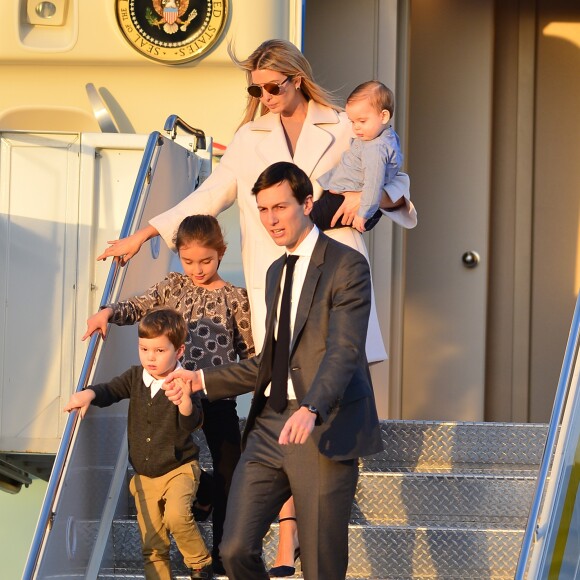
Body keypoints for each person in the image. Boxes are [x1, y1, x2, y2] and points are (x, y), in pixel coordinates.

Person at [96, 38, 414, 576]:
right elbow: (211, 195)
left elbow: (395, 176)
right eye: (256, 89)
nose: (265, 96)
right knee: (280, 392)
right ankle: (286, 544)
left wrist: (368, 198)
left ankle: (294, 545)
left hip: (332, 266)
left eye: (274, 86)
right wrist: (143, 233)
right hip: (277, 277)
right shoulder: (249, 138)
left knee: (319, 384)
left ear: (297, 78)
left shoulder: (341, 124)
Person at [163, 162, 384, 580]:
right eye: (263, 210)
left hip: (322, 425)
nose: (270, 220)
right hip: (269, 426)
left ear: (306, 203)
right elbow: (271, 361)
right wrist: (202, 380)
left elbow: (344, 351)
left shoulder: (347, 266)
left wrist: (313, 407)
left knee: (321, 565)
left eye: (280, 207)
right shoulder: (274, 271)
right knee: (234, 549)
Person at [83, 215, 254, 576]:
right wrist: (107, 313)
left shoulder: (236, 298)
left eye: (206, 261)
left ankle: (223, 551)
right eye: (189, 261)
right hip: (166, 396)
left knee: (229, 467)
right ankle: (201, 494)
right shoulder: (173, 287)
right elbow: (137, 307)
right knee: (171, 459)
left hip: (215, 395)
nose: (197, 269)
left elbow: (251, 358)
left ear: (221, 253)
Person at [64, 308, 213, 580]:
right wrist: (88, 394)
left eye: (159, 351)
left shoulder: (184, 381)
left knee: (177, 517)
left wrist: (186, 405)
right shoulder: (135, 377)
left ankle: (199, 563)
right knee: (152, 543)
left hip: (179, 467)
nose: (150, 357)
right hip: (145, 476)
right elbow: (111, 390)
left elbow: (194, 424)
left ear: (179, 352)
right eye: (144, 349)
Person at [312, 80, 403, 233]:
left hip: (345, 201)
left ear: (384, 116)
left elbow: (374, 183)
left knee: (305, 221)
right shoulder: (384, 137)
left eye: (362, 121)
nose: (356, 127)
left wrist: (363, 213)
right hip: (344, 194)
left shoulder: (376, 148)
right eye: (352, 121)